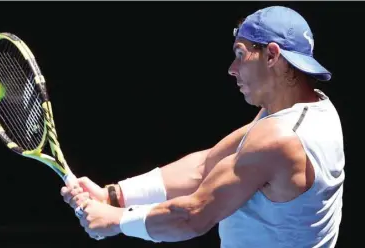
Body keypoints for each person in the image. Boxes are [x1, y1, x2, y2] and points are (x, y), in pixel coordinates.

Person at [61, 5, 345, 248]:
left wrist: (116, 220)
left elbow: (192, 216)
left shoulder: (279, 138)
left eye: (240, 54)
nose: (232, 69)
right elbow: (207, 165)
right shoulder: (313, 110)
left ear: (272, 55)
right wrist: (115, 195)